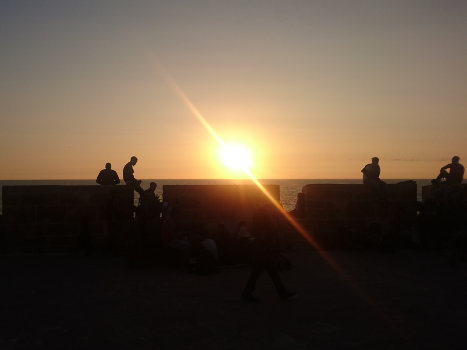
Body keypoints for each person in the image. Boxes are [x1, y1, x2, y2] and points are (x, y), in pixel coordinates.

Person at [242, 204, 296, 302]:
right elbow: (263, 230)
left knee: (271, 271)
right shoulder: (262, 214)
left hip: (262, 247)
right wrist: (267, 244)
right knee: (259, 272)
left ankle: (282, 292)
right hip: (263, 248)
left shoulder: (260, 213)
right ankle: (247, 293)